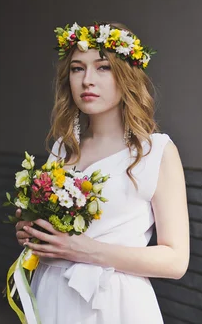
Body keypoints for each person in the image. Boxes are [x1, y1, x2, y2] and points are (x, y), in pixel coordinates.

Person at [13, 21, 189, 323]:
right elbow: (56, 230)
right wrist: (35, 232)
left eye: (103, 68)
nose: (87, 80)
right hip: (52, 293)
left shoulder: (154, 152)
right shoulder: (62, 148)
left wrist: (84, 250)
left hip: (113, 303)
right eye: (77, 68)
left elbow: (175, 260)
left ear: (127, 76)